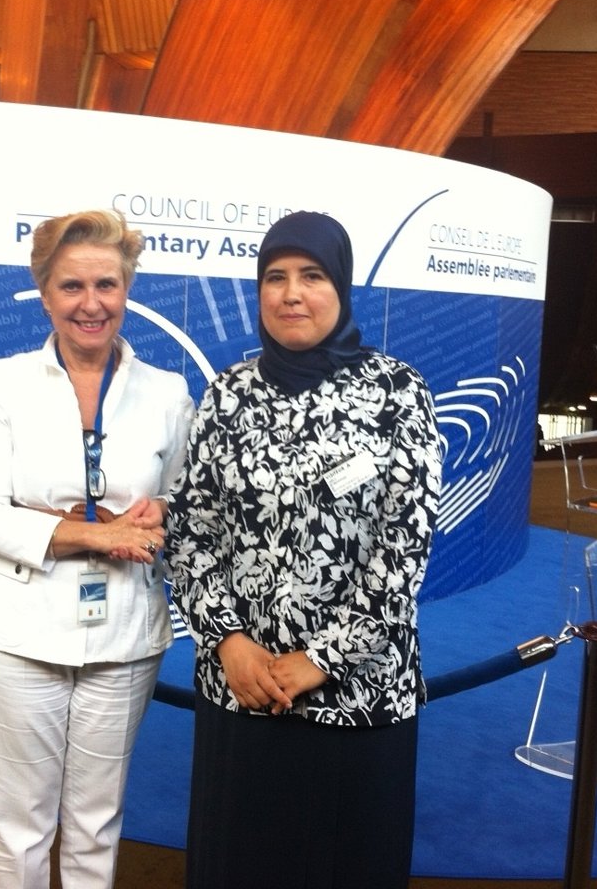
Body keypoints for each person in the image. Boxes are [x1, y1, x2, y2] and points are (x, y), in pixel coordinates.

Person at [166, 210, 442, 889]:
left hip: (358, 695)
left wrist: (321, 659)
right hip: (243, 689)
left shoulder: (396, 392)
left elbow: (402, 548)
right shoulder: (229, 394)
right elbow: (193, 531)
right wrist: (228, 641)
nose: (291, 293)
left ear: (341, 286)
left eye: (312, 275)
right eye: (275, 276)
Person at [0, 209, 194, 888]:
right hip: (15, 636)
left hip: (125, 636)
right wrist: (98, 533)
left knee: (96, 826)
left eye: (107, 285)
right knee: (21, 831)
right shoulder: (4, 381)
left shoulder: (168, 392)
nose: (92, 304)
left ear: (127, 289)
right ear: (45, 293)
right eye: (72, 286)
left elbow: (186, 505)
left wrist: (163, 512)